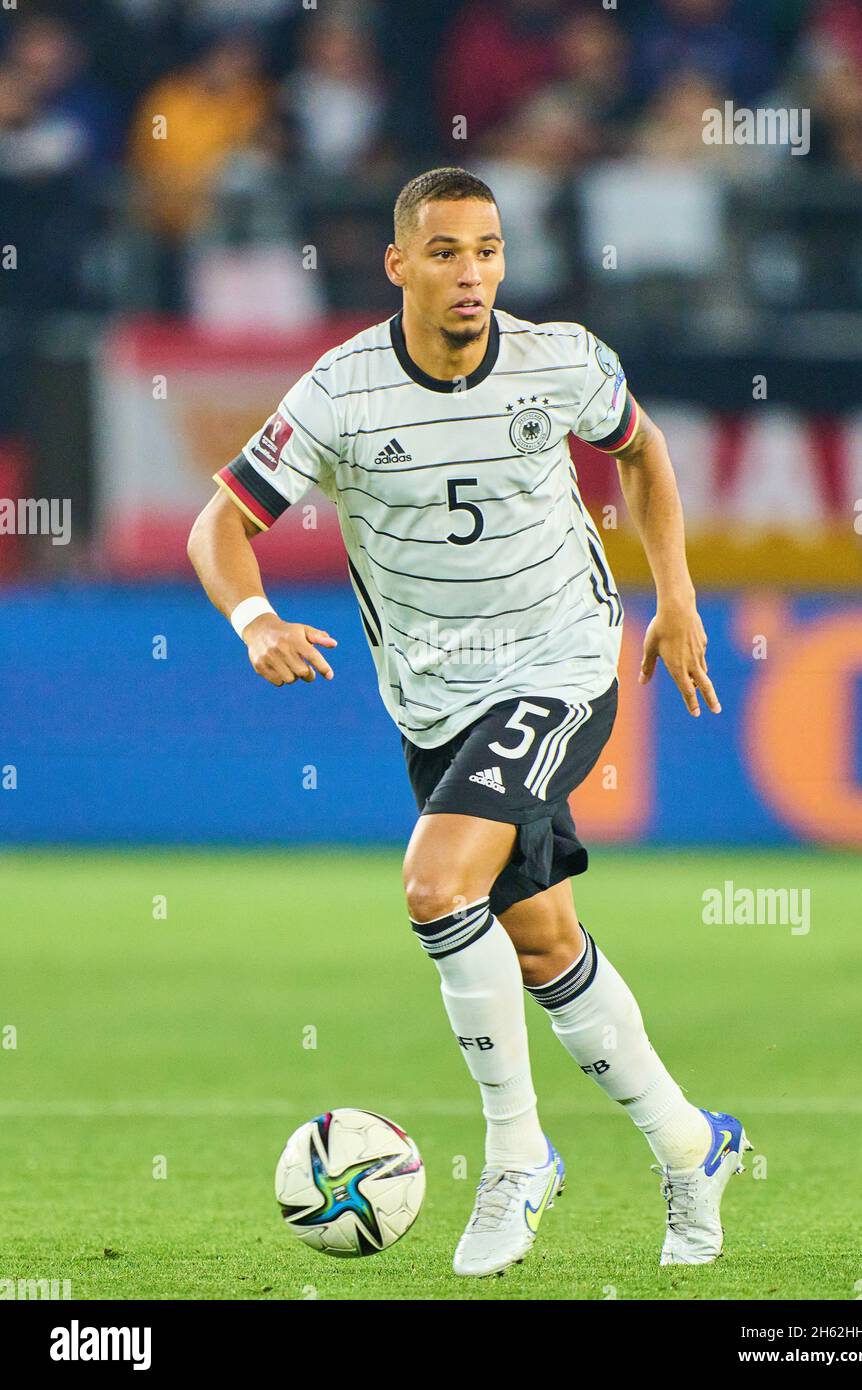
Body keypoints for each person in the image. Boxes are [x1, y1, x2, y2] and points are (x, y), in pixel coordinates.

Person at [186, 166, 750, 1277]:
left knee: (435, 884)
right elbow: (219, 527)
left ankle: (513, 1156)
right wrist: (253, 621)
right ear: (397, 264)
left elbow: (639, 450)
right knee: (540, 941)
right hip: (433, 698)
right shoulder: (339, 391)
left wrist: (675, 596)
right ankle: (693, 1146)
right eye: (445, 251)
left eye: (486, 250)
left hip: (560, 659)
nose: (472, 274)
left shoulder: (562, 360)